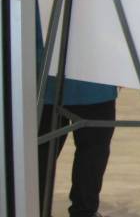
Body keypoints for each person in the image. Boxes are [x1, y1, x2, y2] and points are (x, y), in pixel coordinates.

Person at [38, 11, 118, 217]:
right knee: (93, 151)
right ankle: (84, 210)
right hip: (91, 77)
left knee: (42, 152)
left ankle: (37, 206)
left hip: (48, 78)